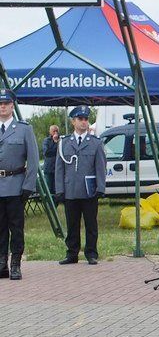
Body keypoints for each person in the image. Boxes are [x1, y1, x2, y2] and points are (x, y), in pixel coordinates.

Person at [55, 105, 106, 266]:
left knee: (91, 224)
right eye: (80, 119)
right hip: (70, 189)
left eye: (85, 119)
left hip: (89, 190)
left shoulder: (95, 143)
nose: (84, 122)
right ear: (73, 121)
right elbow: (59, 169)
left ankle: (91, 253)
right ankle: (72, 253)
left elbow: (100, 167)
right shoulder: (64, 142)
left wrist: (101, 187)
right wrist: (59, 190)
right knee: (72, 224)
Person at [0, 90, 39, 280]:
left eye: (6, 103)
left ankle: (15, 263)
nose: (3, 106)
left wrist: (28, 186)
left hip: (16, 185)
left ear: (12, 105)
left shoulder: (24, 129)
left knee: (16, 227)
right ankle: (1, 264)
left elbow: (33, 159)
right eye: (0, 103)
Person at [42, 125, 59, 200]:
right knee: (49, 189)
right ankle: (49, 205)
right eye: (53, 131)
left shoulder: (61, 140)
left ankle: (55, 204)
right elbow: (47, 153)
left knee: (57, 189)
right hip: (48, 169)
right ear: (50, 132)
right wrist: (55, 143)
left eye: (56, 131)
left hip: (57, 168)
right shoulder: (46, 141)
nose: (55, 132)